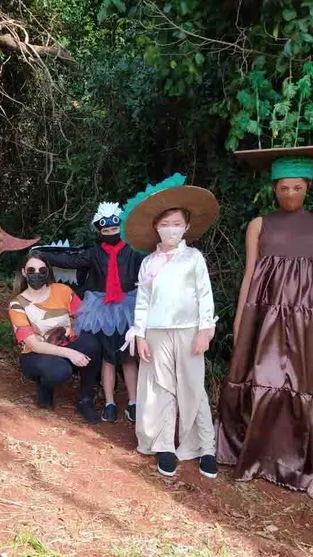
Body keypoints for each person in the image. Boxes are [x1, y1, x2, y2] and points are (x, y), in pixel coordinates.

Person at [214, 144, 313, 501]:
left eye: (296, 186)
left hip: (312, 322)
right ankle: (254, 460)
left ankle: (309, 472)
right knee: (263, 385)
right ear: (273, 188)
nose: (290, 193)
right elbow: (249, 275)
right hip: (267, 320)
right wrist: (242, 319)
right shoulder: (259, 225)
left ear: (307, 187)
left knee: (306, 393)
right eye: (283, 187)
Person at [119, 174, 220, 478]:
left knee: (192, 387)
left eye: (177, 223)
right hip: (156, 332)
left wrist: (205, 329)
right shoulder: (149, 263)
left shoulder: (194, 259)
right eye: (165, 224)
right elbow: (143, 300)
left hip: (189, 331)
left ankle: (204, 447)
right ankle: (164, 444)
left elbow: (205, 295)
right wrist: (139, 334)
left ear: (186, 226)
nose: (171, 229)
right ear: (156, 228)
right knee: (160, 388)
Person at [32, 202, 144, 423]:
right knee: (106, 357)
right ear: (99, 231)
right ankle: (110, 402)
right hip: (100, 311)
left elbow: (150, 270)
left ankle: (134, 402)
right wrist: (42, 255)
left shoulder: (134, 252)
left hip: (128, 309)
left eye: (115, 229)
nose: (111, 233)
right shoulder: (94, 253)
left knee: (129, 358)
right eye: (106, 231)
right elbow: (71, 260)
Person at [8, 254, 102, 424]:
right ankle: (45, 385)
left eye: (42, 270)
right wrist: (71, 353)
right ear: (23, 272)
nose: (37, 274)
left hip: (67, 342)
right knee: (58, 371)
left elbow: (82, 317)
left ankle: (85, 398)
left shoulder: (63, 291)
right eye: (31, 270)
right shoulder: (17, 304)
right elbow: (34, 344)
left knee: (92, 345)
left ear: (48, 271)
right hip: (36, 353)